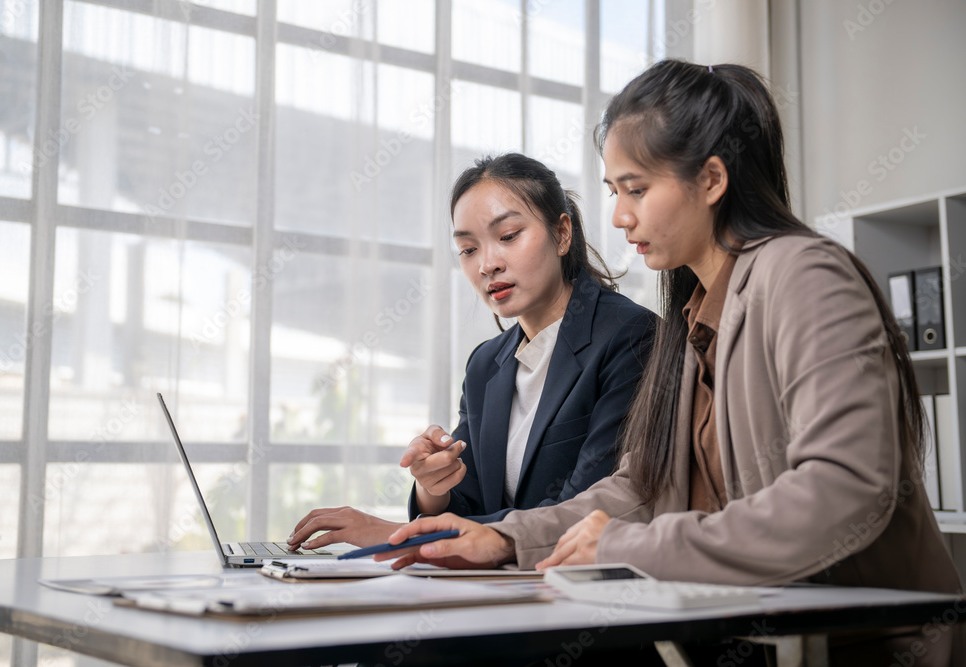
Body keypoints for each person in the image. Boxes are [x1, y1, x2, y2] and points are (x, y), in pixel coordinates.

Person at [381, 60, 963, 664]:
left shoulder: (802, 275)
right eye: (613, 192)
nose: (617, 217)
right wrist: (503, 537)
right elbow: (644, 486)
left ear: (711, 180)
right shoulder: (694, 317)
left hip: (873, 641)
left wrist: (633, 548)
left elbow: (844, 489)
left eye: (636, 189)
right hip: (767, 634)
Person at [288, 153, 655, 550]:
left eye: (509, 236)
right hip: (496, 589)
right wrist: (434, 488)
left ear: (562, 234)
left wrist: (395, 535)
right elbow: (470, 508)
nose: (487, 265)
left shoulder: (630, 336)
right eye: (468, 249)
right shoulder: (485, 365)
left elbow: (587, 510)